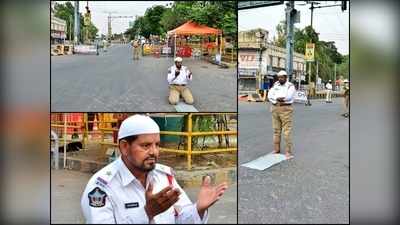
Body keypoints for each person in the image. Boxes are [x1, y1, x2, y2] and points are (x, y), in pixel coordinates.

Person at [81, 115, 228, 223]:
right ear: (125, 147)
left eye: (157, 145)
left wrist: (198, 209)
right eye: (145, 145)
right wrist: (147, 213)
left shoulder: (164, 177)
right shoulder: (102, 187)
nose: (154, 152)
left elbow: (181, 218)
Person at [267, 70, 296, 159]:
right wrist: (276, 100)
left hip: (286, 108)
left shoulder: (290, 86)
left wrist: (281, 99)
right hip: (275, 107)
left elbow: (288, 97)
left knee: (286, 131)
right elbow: (270, 95)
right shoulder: (276, 85)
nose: (280, 79)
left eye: (282, 77)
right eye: (279, 77)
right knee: (276, 130)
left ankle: (288, 151)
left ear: (286, 77)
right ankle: (276, 149)